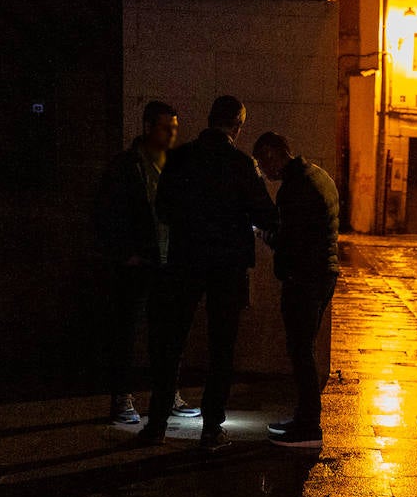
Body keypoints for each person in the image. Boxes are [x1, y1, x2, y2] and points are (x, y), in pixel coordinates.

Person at [139, 95, 277, 450]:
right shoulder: (242, 164)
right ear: (238, 125)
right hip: (227, 267)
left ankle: (156, 424)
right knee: (222, 346)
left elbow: (164, 210)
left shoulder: (181, 157)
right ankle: (211, 427)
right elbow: (265, 215)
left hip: (185, 259)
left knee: (172, 341)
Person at [92, 101, 199, 426]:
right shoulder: (127, 166)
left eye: (175, 127)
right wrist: (126, 253)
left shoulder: (173, 165)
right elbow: (107, 212)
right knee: (127, 330)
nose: (173, 133)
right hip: (140, 263)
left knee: (167, 332)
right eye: (167, 127)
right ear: (148, 127)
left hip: (167, 261)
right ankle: (121, 398)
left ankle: (167, 395)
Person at [252, 132, 339, 449]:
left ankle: (308, 428)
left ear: (273, 154)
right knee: (305, 350)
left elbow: (288, 243)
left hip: (305, 278)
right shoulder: (319, 175)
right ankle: (303, 418)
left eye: (263, 163)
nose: (264, 171)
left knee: (301, 352)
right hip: (324, 273)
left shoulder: (293, 189)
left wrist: (262, 232)